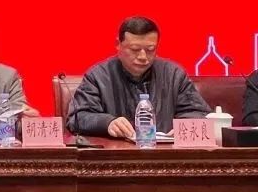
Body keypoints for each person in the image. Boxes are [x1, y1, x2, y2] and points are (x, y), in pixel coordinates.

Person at [67, 16, 211, 138]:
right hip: (116, 156)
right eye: (135, 49)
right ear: (118, 44)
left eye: (150, 50)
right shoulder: (98, 76)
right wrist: (107, 123)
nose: (143, 57)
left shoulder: (174, 75)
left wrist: (184, 127)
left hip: (165, 154)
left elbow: (199, 113)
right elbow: (77, 118)